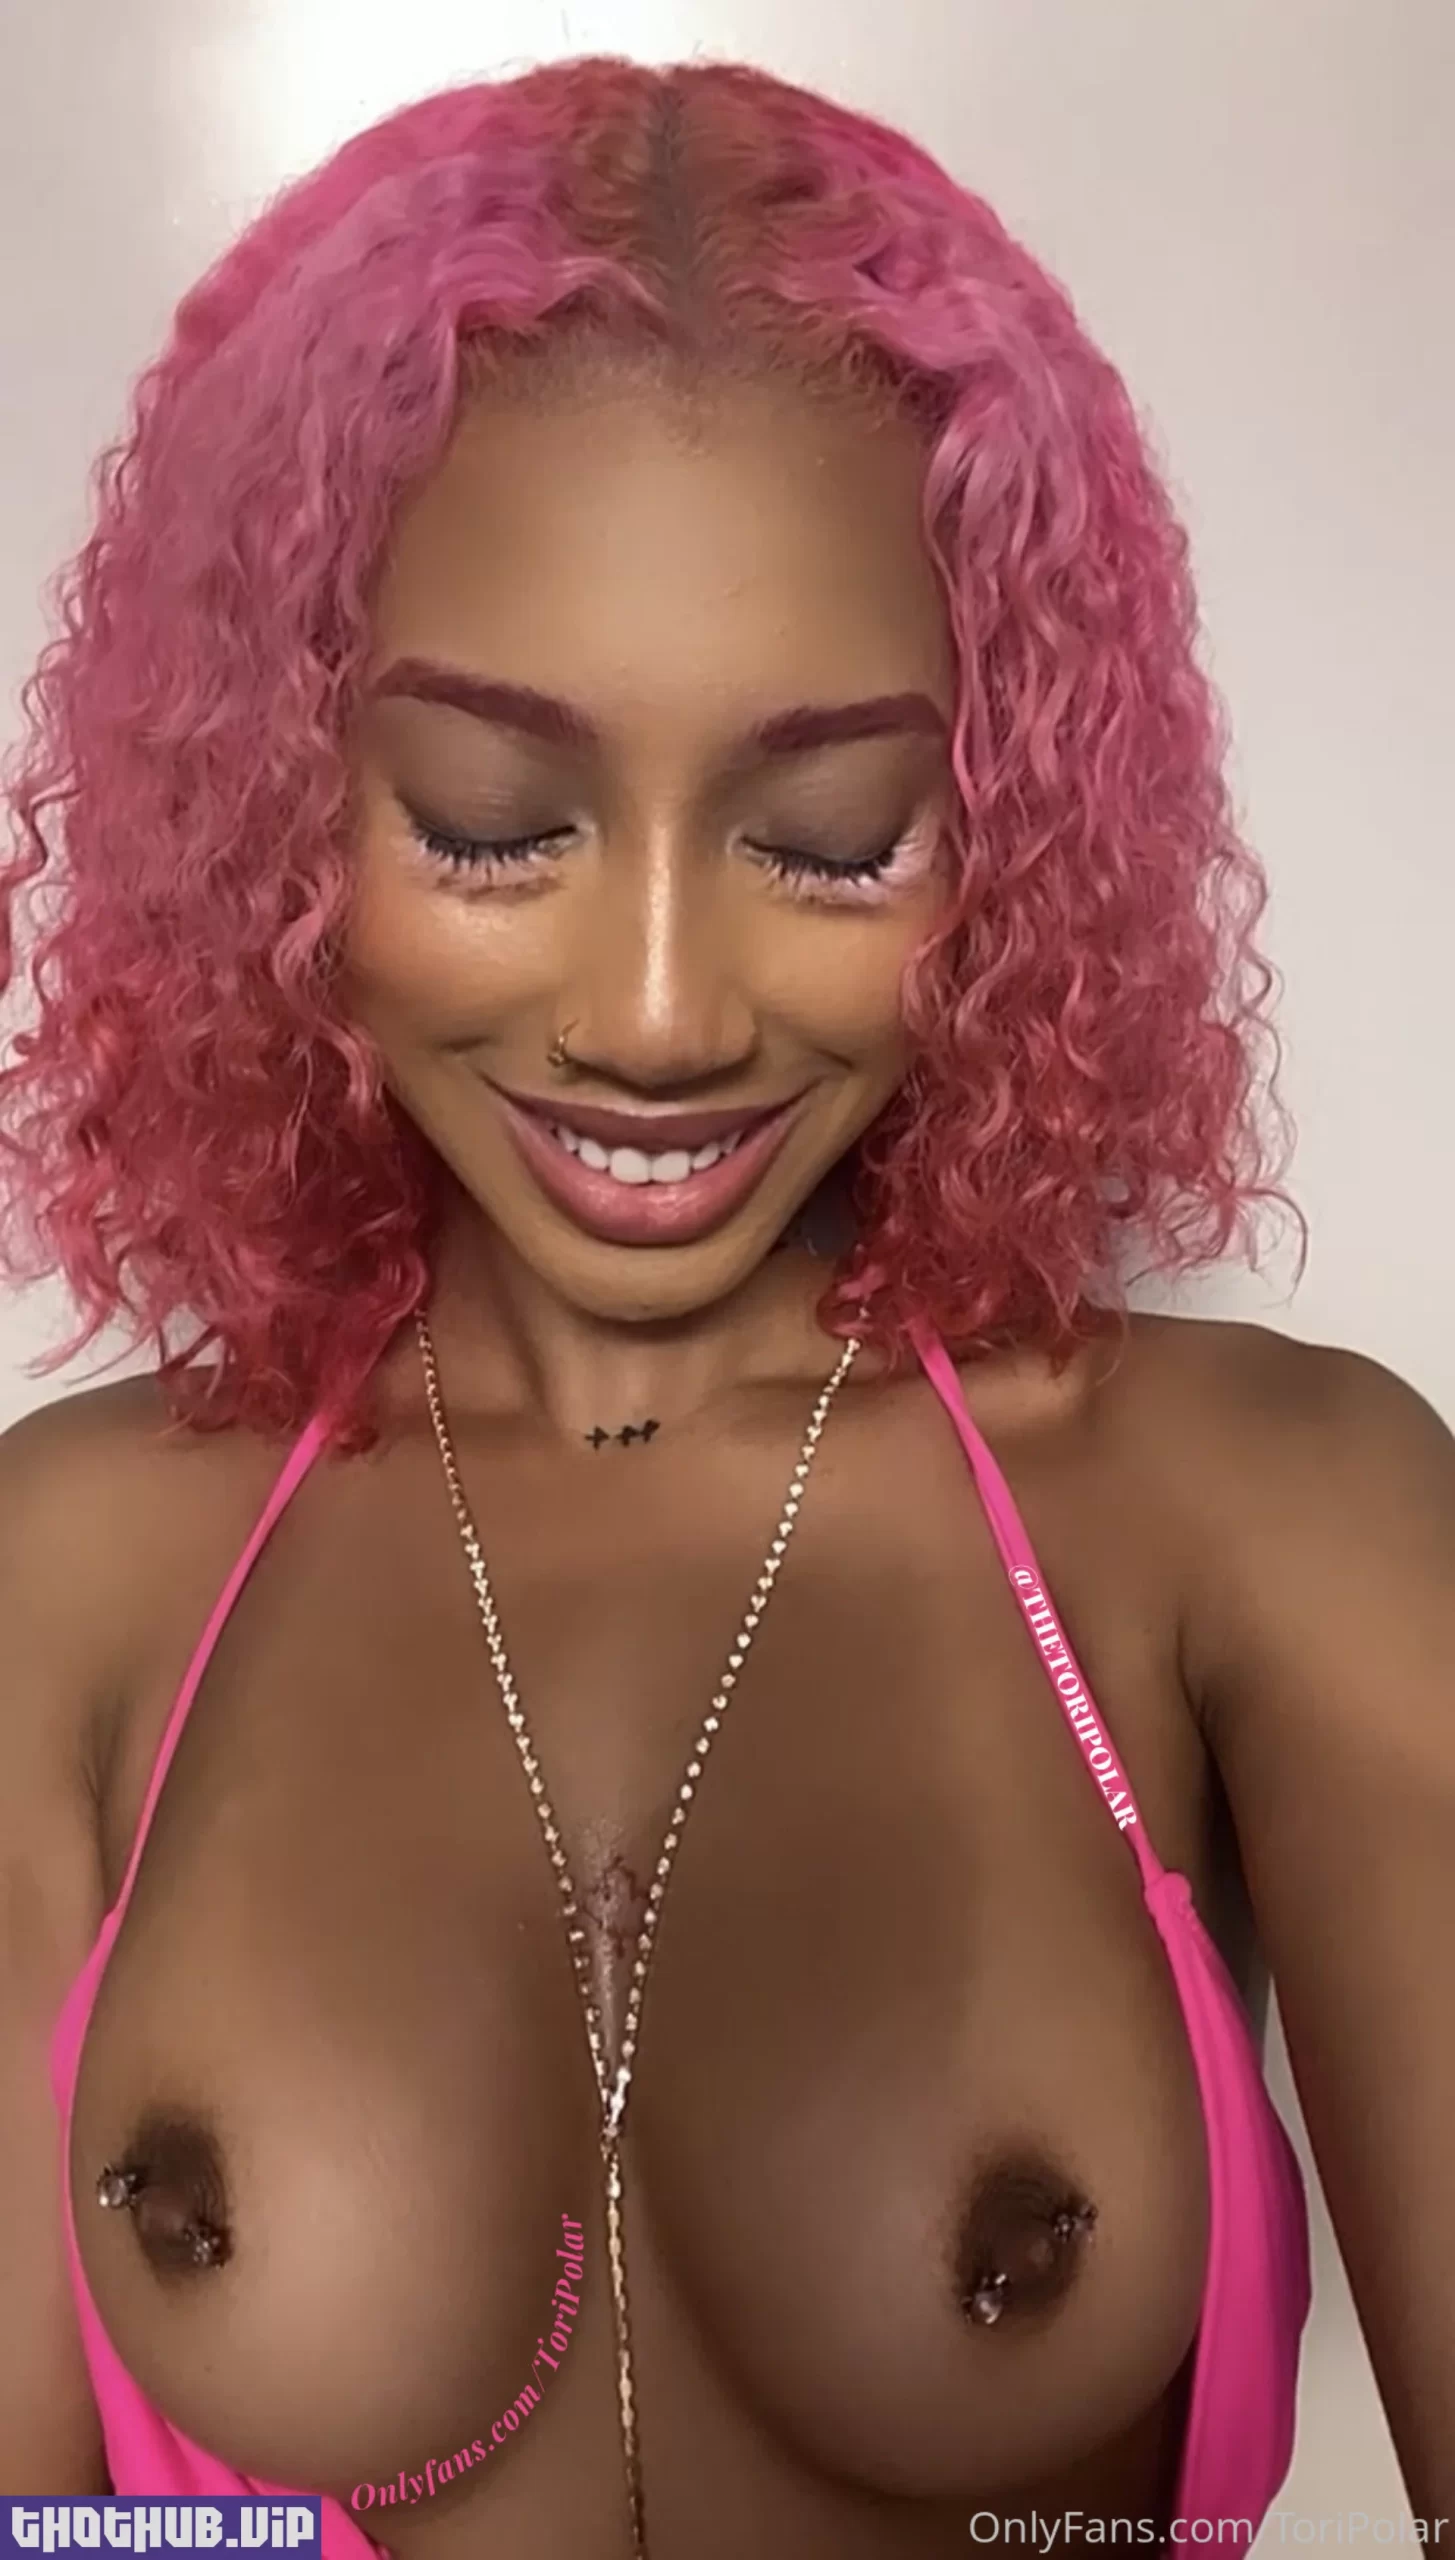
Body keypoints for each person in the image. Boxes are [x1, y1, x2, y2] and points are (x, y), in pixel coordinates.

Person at [0, 51, 1450, 2560]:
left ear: (1004, 830)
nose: (658, 1012)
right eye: (492, 823)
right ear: (279, 806)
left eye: (829, 836)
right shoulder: (68, 1580)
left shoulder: (1268, 1523)